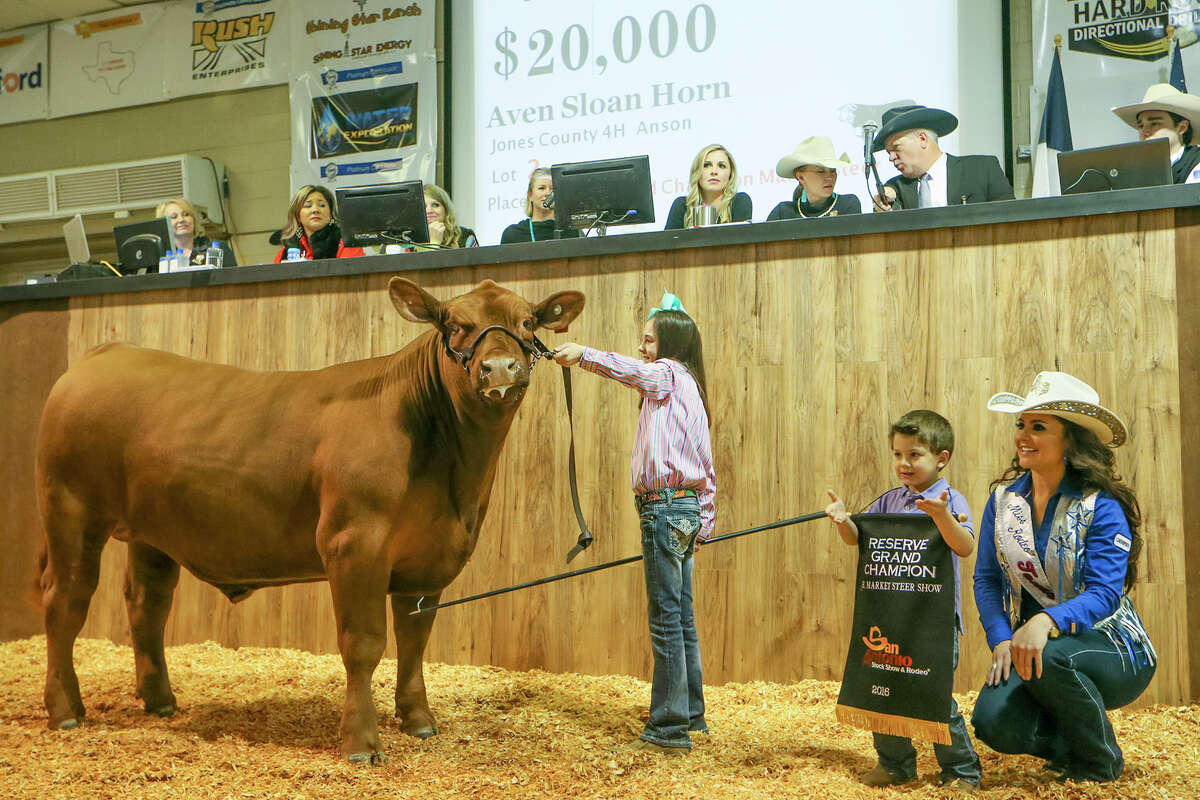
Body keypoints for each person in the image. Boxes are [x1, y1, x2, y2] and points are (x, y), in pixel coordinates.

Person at [971, 372, 1156, 783]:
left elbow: (1106, 593)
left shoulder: (1100, 506)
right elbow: (986, 579)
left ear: (1070, 440)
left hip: (1112, 648)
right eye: (1021, 424)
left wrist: (1045, 620)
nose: (1023, 434)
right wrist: (1001, 638)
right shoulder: (1003, 502)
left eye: (1039, 427)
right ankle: (1071, 744)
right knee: (991, 722)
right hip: (1032, 646)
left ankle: (1099, 762)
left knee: (1055, 657)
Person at [551, 292, 715, 756]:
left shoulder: (666, 374)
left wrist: (584, 355)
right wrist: (705, 520)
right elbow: (708, 461)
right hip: (682, 509)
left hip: (663, 510)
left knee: (666, 620)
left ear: (669, 343)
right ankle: (691, 713)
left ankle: (668, 727)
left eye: (648, 340)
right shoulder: (691, 388)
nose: (643, 348)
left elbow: (635, 371)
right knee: (681, 619)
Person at [825, 410, 981, 792]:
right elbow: (859, 538)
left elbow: (965, 546)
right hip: (891, 620)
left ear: (941, 459)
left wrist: (942, 516)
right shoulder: (889, 500)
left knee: (935, 698)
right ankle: (895, 765)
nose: (903, 463)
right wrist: (844, 521)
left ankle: (961, 770)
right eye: (897, 454)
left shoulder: (950, 499)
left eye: (914, 455)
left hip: (934, 625)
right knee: (883, 691)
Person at [871, 104, 1014, 210]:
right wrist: (885, 202)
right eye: (888, 152)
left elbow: (1011, 217)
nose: (891, 157)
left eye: (896, 148)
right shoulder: (897, 188)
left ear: (922, 139)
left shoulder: (982, 170)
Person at [1111, 83, 1200, 183]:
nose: (1145, 132)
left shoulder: (1196, 162)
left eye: (1154, 123)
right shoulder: (1132, 170)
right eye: (1140, 125)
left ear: (1182, 127)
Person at [766, 137, 862, 220]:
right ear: (801, 177)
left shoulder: (848, 205)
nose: (829, 178)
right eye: (820, 171)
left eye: (833, 171)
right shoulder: (782, 213)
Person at [664, 144, 752, 229]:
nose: (714, 171)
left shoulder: (739, 201)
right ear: (697, 172)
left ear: (730, 174)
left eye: (721, 166)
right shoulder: (682, 205)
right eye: (706, 165)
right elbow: (667, 243)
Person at [272, 185, 365, 263]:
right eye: (308, 206)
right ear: (297, 216)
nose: (315, 210)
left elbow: (352, 278)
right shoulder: (287, 249)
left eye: (322, 205)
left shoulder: (345, 242)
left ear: (331, 214)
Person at [499, 167, 581, 243]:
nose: (547, 193)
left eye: (553, 189)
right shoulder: (513, 234)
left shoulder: (572, 232)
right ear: (530, 195)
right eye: (542, 188)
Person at [155, 198, 237, 267]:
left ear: (193, 219)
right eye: (174, 217)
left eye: (186, 214)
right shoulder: (159, 256)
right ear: (164, 224)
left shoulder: (218, 248)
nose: (181, 220)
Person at [423, 184, 479, 248]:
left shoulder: (465, 235)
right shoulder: (409, 240)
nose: (429, 211)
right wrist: (434, 242)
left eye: (435, 205)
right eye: (423, 206)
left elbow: (476, 258)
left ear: (446, 209)